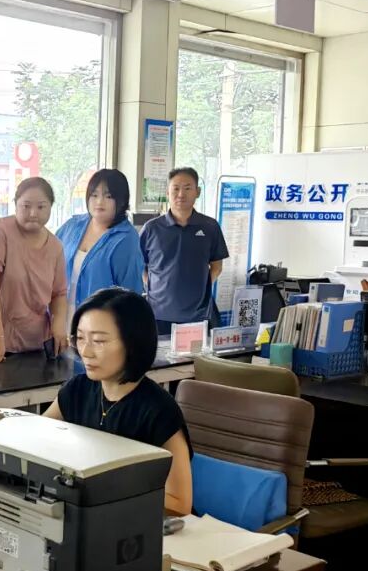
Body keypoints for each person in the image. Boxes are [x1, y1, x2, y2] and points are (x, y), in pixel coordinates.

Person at [44, 288, 193, 516]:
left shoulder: (159, 410)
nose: (86, 351)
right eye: (80, 338)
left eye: (99, 341)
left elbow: (180, 504)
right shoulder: (77, 390)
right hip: (86, 514)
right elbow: (37, 441)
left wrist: (101, 487)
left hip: (140, 523)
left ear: (133, 343)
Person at [0, 177, 69, 364]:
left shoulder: (55, 246)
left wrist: (58, 327)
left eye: (41, 207)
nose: (33, 213)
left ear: (51, 207)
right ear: (15, 204)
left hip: (32, 340)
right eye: (26, 206)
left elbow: (59, 293)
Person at [140, 167, 229, 336]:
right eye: (176, 188)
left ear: (198, 192)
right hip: (158, 314)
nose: (181, 194)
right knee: (159, 353)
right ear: (167, 192)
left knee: (194, 353)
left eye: (187, 188)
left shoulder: (210, 227)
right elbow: (140, 265)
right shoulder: (152, 228)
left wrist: (201, 287)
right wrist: (155, 286)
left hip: (197, 315)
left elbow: (217, 266)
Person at [55, 169, 144, 326]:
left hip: (99, 327)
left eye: (108, 196)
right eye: (94, 195)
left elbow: (130, 294)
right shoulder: (72, 226)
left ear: (122, 200)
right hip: (59, 323)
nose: (99, 202)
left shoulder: (126, 238)